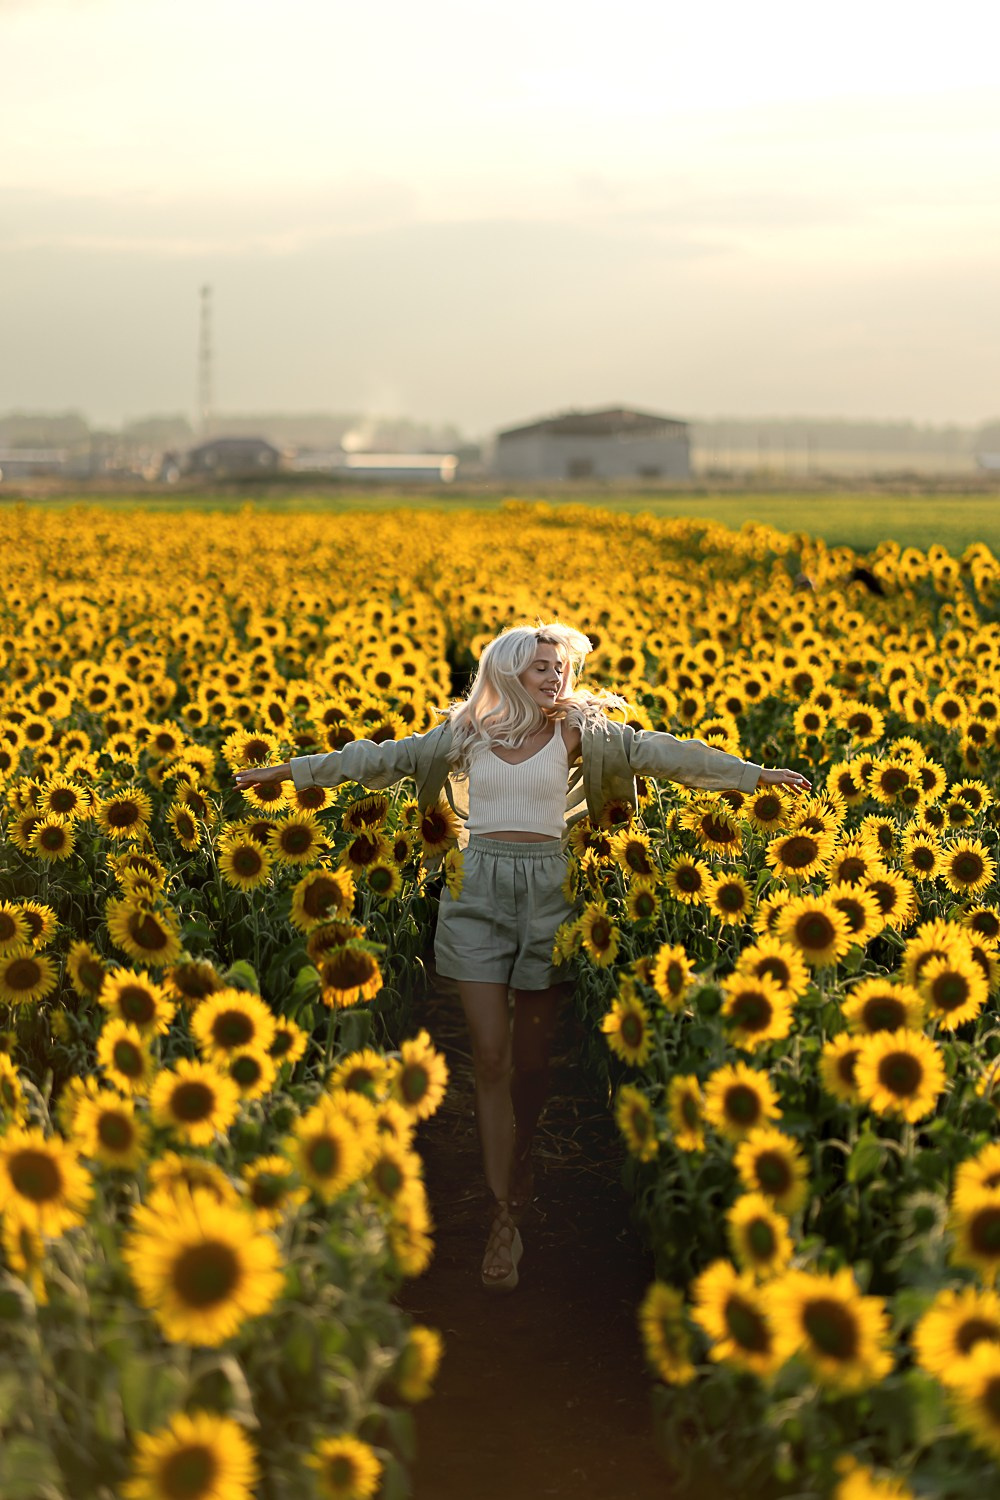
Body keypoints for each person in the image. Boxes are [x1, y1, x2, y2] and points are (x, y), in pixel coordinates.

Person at [233, 622, 812, 1293]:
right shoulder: (465, 735)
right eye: (541, 666)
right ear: (508, 670)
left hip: (551, 895)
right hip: (475, 895)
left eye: (561, 667)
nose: (554, 677)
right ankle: (503, 1213)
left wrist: (751, 776)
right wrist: (290, 771)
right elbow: (377, 759)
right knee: (490, 1054)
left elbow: (664, 753)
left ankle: (525, 1150)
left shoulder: (579, 736)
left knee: (534, 1065)